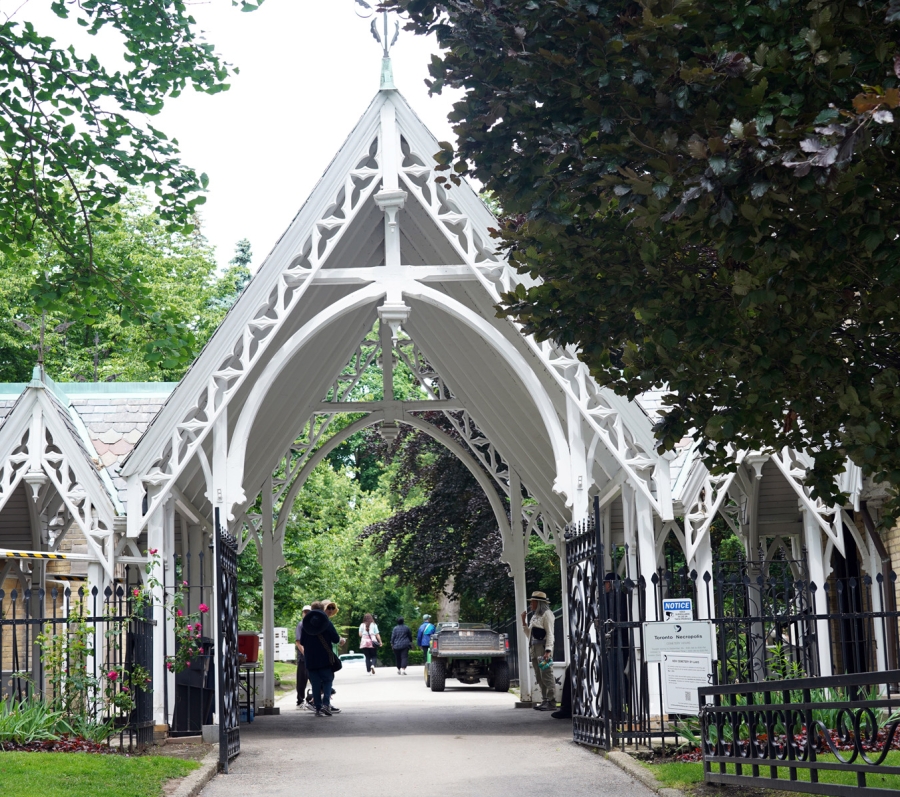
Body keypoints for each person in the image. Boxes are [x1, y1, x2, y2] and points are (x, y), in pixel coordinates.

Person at [300, 602, 341, 717]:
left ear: (311, 609)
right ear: (323, 609)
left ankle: (318, 708)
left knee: (315, 684)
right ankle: (326, 704)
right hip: (325, 658)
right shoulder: (327, 622)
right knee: (328, 680)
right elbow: (336, 639)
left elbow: (302, 641)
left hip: (310, 659)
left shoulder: (306, 624)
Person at [521, 590, 555, 711]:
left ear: (538, 603)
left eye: (533, 602)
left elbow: (550, 634)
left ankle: (551, 701)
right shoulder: (535, 615)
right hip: (534, 648)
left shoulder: (547, 614)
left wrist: (548, 650)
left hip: (543, 648)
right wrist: (523, 621)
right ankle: (544, 699)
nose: (531, 605)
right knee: (538, 675)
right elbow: (529, 634)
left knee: (546, 673)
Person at [294, 604, 312, 708]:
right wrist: (305, 652)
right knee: (302, 680)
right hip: (303, 657)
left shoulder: (313, 625)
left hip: (312, 656)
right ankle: (300, 701)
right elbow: (298, 642)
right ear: (302, 613)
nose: (307, 614)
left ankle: (314, 699)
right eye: (305, 612)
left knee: (315, 679)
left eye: (308, 612)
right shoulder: (301, 625)